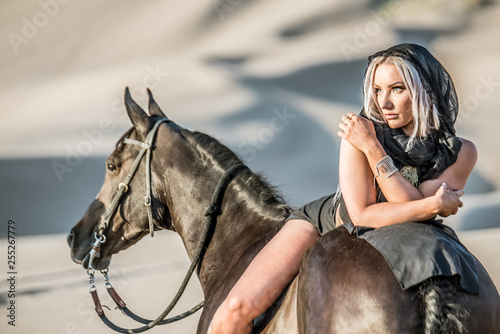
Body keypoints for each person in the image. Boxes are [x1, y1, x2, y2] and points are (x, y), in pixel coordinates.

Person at [208, 43, 477, 334]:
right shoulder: (359, 131)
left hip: (401, 230)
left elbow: (411, 208)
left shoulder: (460, 152)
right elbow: (361, 215)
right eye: (377, 90)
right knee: (235, 311)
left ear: (425, 91)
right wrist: (431, 203)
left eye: (397, 89)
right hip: (325, 222)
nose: (383, 103)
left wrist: (377, 154)